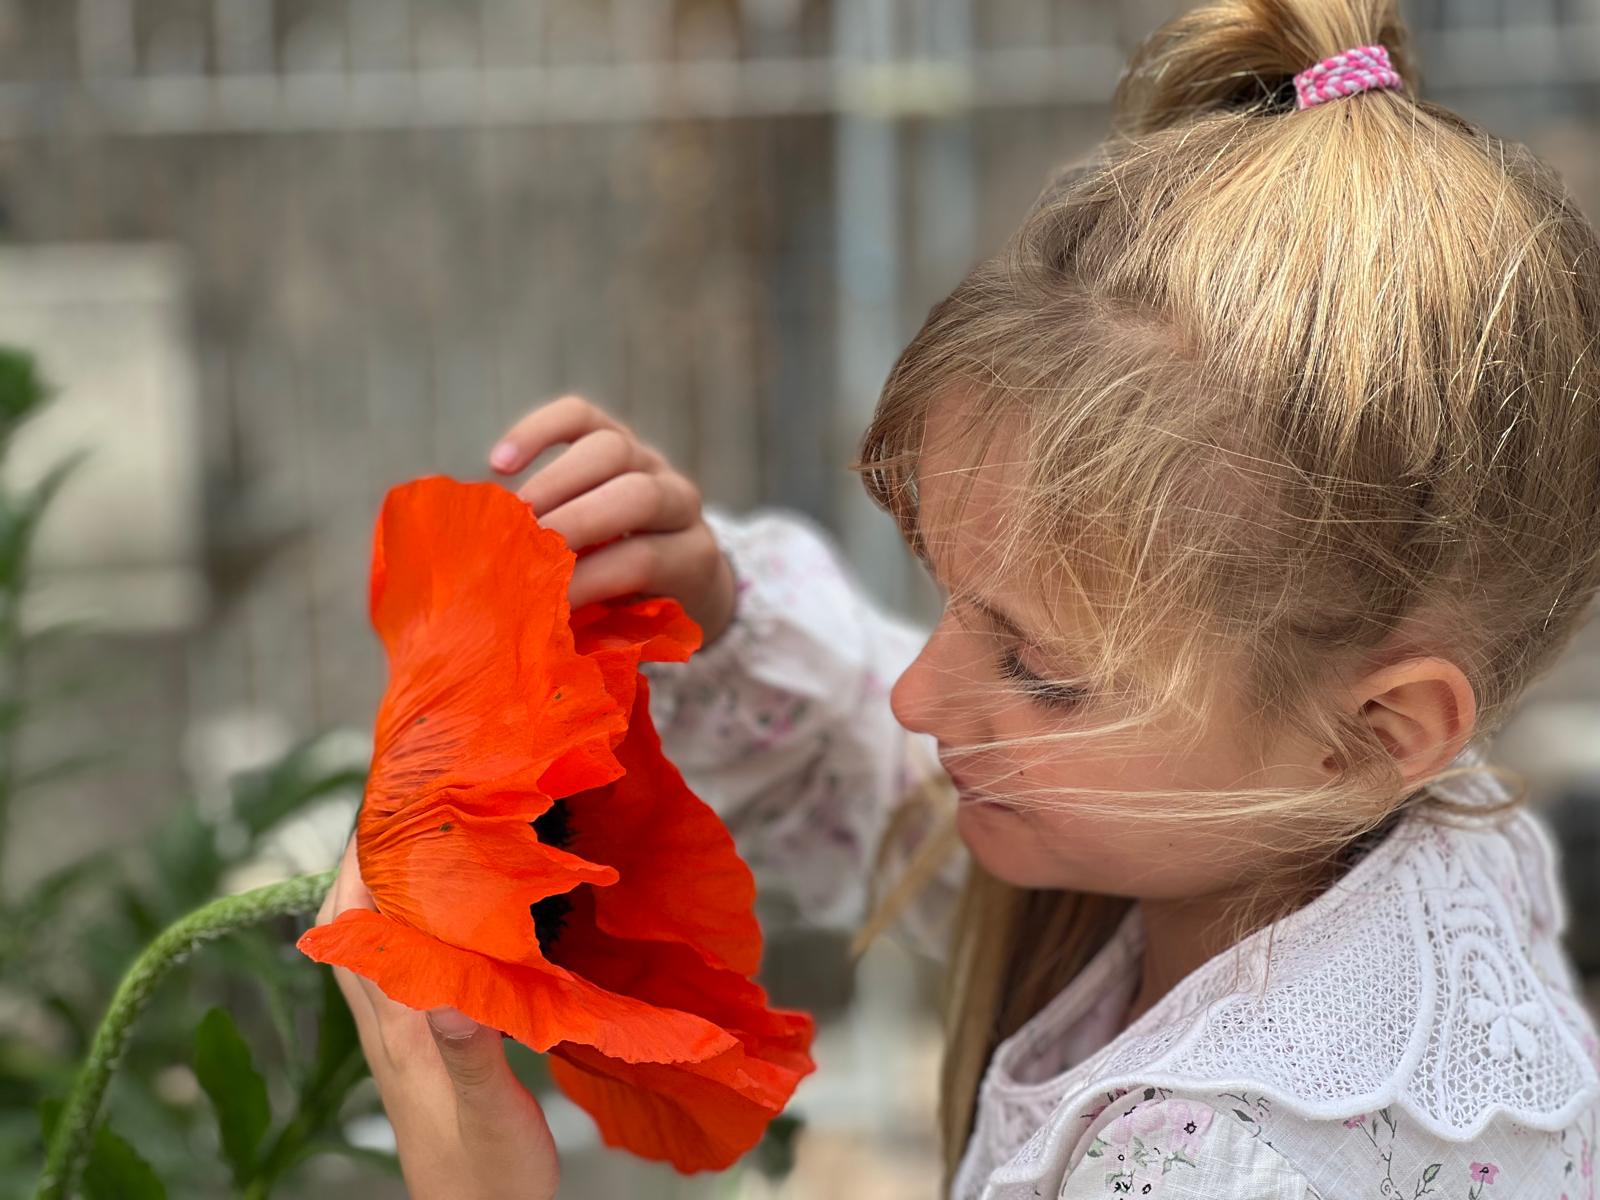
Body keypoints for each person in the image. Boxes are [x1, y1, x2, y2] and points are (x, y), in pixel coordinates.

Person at [319, 0, 1600, 1195]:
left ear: (1378, 731)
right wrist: (711, 603)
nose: (915, 692)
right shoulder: (1304, 852)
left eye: (1040, 669)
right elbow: (896, 797)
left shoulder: (1232, 1157)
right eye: (949, 598)